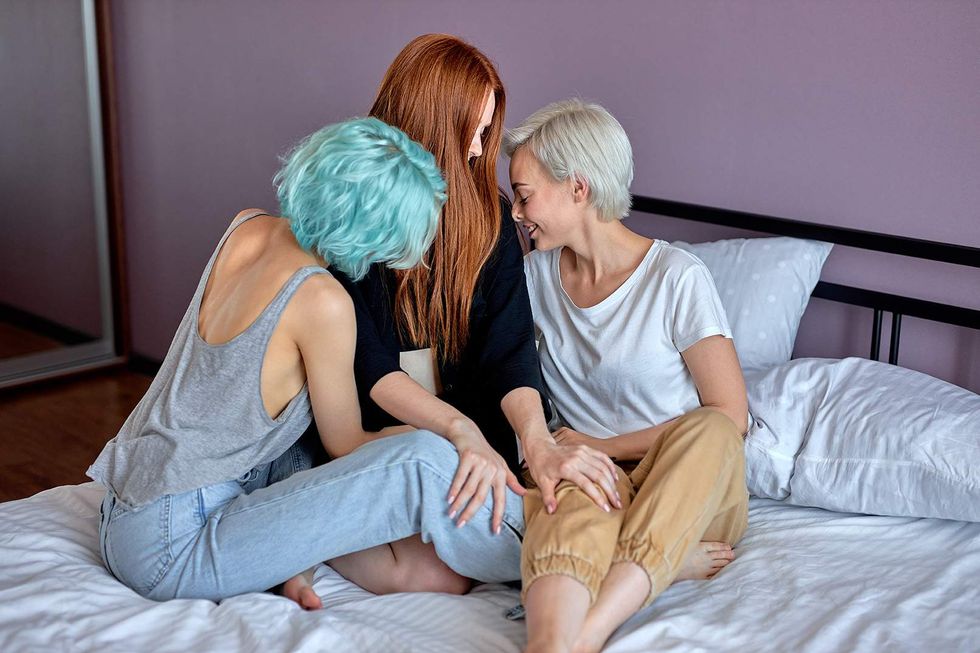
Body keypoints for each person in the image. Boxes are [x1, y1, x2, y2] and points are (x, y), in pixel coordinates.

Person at [86, 117, 500, 604]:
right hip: (170, 544)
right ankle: (550, 544)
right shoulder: (321, 302)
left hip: (128, 506)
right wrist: (447, 431)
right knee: (429, 511)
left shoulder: (247, 226)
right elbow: (348, 444)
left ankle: (284, 564)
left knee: (315, 465)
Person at [279, 35, 624, 607]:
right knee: (432, 562)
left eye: (488, 132)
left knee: (455, 570)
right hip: (374, 423)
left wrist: (535, 440)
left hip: (462, 426)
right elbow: (370, 366)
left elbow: (509, 348)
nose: (478, 149)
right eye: (473, 131)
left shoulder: (488, 217)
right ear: (431, 122)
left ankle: (306, 535)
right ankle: (296, 530)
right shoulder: (360, 204)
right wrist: (452, 432)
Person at [505, 99, 750, 653]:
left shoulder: (677, 278)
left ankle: (590, 632)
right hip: (598, 477)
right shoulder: (532, 278)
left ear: (578, 188)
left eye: (524, 196)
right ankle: (552, 643)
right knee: (567, 485)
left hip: (689, 484)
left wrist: (602, 443)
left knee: (710, 429)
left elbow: (732, 417)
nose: (517, 213)